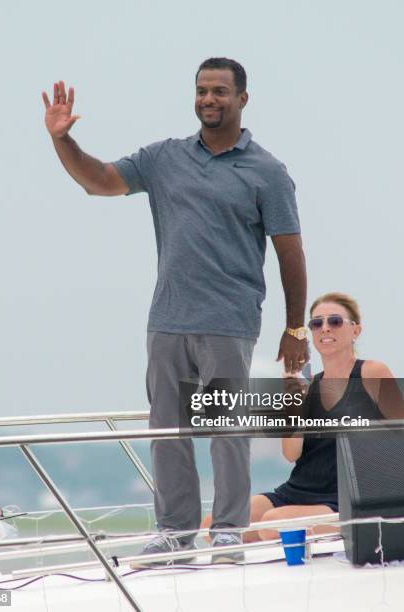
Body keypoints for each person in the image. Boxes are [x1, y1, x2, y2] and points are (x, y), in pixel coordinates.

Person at [42, 57, 309, 564]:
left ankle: (228, 530)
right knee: (167, 431)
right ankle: (175, 532)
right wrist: (62, 140)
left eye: (220, 92)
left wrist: (295, 327)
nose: (209, 100)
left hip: (230, 321)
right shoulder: (164, 158)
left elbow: (290, 251)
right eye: (202, 91)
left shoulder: (267, 172)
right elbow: (98, 180)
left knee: (227, 431)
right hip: (166, 321)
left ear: (242, 99)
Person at [201, 292, 404, 543]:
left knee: (273, 525)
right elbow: (291, 454)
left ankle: (341, 525)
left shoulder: (372, 372)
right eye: (316, 323)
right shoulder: (307, 386)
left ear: (356, 331)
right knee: (212, 525)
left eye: (335, 321)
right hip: (300, 488)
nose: (325, 328)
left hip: (346, 493)